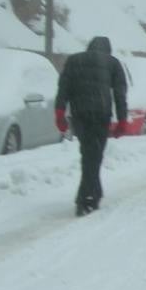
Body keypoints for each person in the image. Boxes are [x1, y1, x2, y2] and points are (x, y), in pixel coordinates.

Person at [55, 36, 129, 216]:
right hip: (101, 115)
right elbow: (120, 94)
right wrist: (122, 120)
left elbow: (63, 88)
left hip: (80, 115)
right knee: (94, 155)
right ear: (107, 50)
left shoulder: (73, 60)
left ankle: (94, 194)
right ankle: (85, 199)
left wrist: (59, 112)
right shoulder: (113, 63)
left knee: (88, 154)